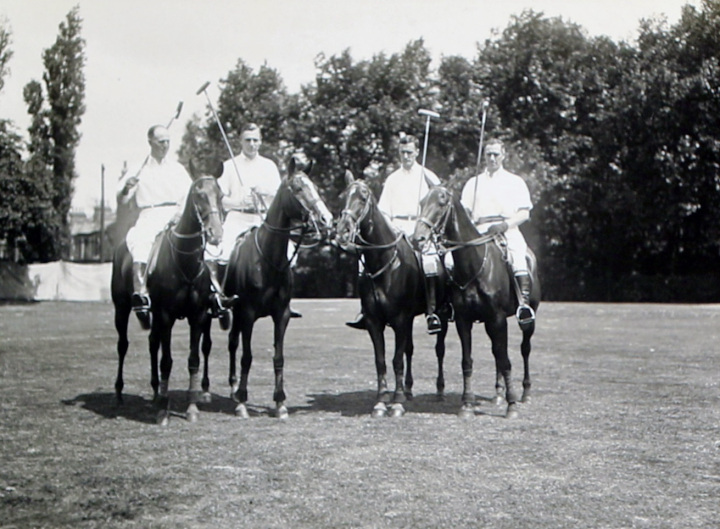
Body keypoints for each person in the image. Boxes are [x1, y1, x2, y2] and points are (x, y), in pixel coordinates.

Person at [346, 133, 445, 334]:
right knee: (363, 262)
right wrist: (392, 228)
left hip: (419, 228)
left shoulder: (427, 176)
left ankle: (431, 311)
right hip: (395, 229)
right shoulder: (392, 178)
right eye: (402, 153)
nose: (406, 156)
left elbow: (436, 208)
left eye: (409, 152)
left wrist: (422, 228)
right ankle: (366, 311)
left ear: (417, 152)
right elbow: (383, 210)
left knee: (430, 261)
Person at [204, 123, 300, 328]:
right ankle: (222, 297)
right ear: (240, 141)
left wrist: (261, 192)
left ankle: (284, 300)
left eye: (255, 140)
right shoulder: (230, 166)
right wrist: (240, 202)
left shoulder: (269, 166)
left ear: (261, 141)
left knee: (290, 252)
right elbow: (221, 201)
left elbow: (278, 196)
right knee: (219, 252)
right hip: (237, 218)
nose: (252, 144)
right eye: (247, 140)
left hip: (262, 219)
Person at [117, 125, 191, 329]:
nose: (165, 145)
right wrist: (126, 188)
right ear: (150, 142)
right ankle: (140, 292)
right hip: (150, 214)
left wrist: (180, 213)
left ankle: (209, 291)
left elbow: (189, 194)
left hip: (176, 214)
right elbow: (123, 198)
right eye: (160, 142)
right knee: (140, 241)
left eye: (167, 141)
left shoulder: (177, 169)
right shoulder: (139, 169)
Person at [460, 138, 535, 322]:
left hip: (506, 229)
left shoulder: (515, 181)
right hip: (479, 232)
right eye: (489, 154)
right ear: (484, 156)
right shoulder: (473, 183)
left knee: (517, 255)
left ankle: (523, 305)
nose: (492, 158)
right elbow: (465, 213)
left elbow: (524, 213)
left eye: (496, 154)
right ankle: (452, 305)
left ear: (503, 156)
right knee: (452, 260)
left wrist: (505, 225)